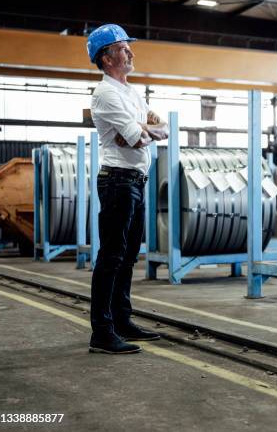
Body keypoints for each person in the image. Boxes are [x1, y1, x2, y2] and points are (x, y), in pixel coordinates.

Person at [86, 24, 168, 354]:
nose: (130, 52)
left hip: (135, 180)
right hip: (118, 181)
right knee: (111, 256)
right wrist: (142, 131)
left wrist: (143, 130)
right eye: (122, 48)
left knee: (129, 256)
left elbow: (158, 128)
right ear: (106, 59)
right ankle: (101, 332)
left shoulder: (131, 93)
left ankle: (122, 320)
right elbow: (137, 138)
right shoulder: (105, 94)